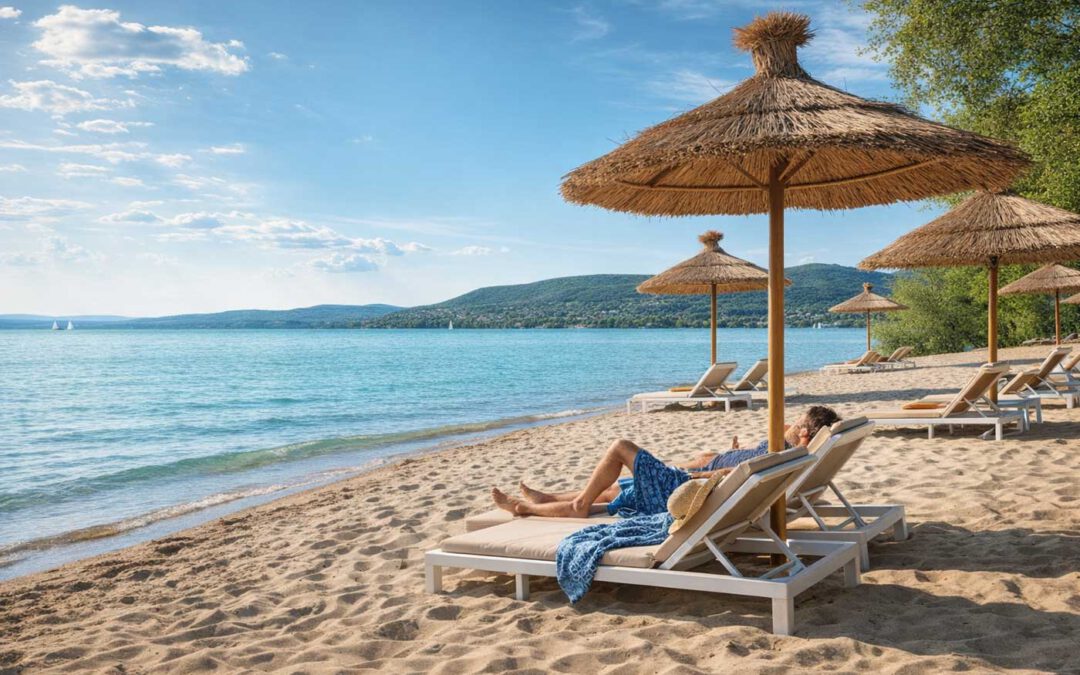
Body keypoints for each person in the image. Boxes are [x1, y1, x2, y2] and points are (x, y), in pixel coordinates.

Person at [492, 406, 840, 519]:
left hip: (686, 492)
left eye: (797, 423)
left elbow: (724, 473)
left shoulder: (779, 455)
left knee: (621, 447)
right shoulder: (791, 454)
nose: (791, 423)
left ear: (806, 435)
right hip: (696, 491)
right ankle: (544, 501)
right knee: (617, 489)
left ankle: (567, 505)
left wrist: (693, 472)